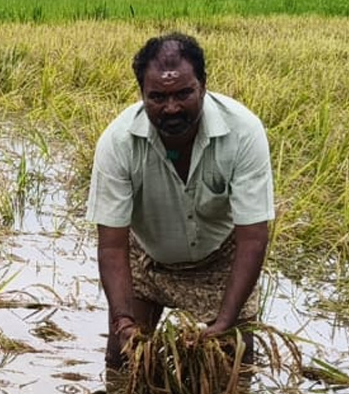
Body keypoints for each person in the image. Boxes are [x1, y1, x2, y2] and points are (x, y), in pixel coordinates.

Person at [87, 33, 274, 367]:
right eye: (157, 96)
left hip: (220, 257)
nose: (171, 108)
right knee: (122, 362)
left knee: (237, 367)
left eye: (183, 93)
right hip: (147, 257)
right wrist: (123, 321)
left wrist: (225, 320)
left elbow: (253, 237)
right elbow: (113, 246)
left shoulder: (243, 132)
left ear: (203, 86)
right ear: (142, 94)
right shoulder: (117, 143)